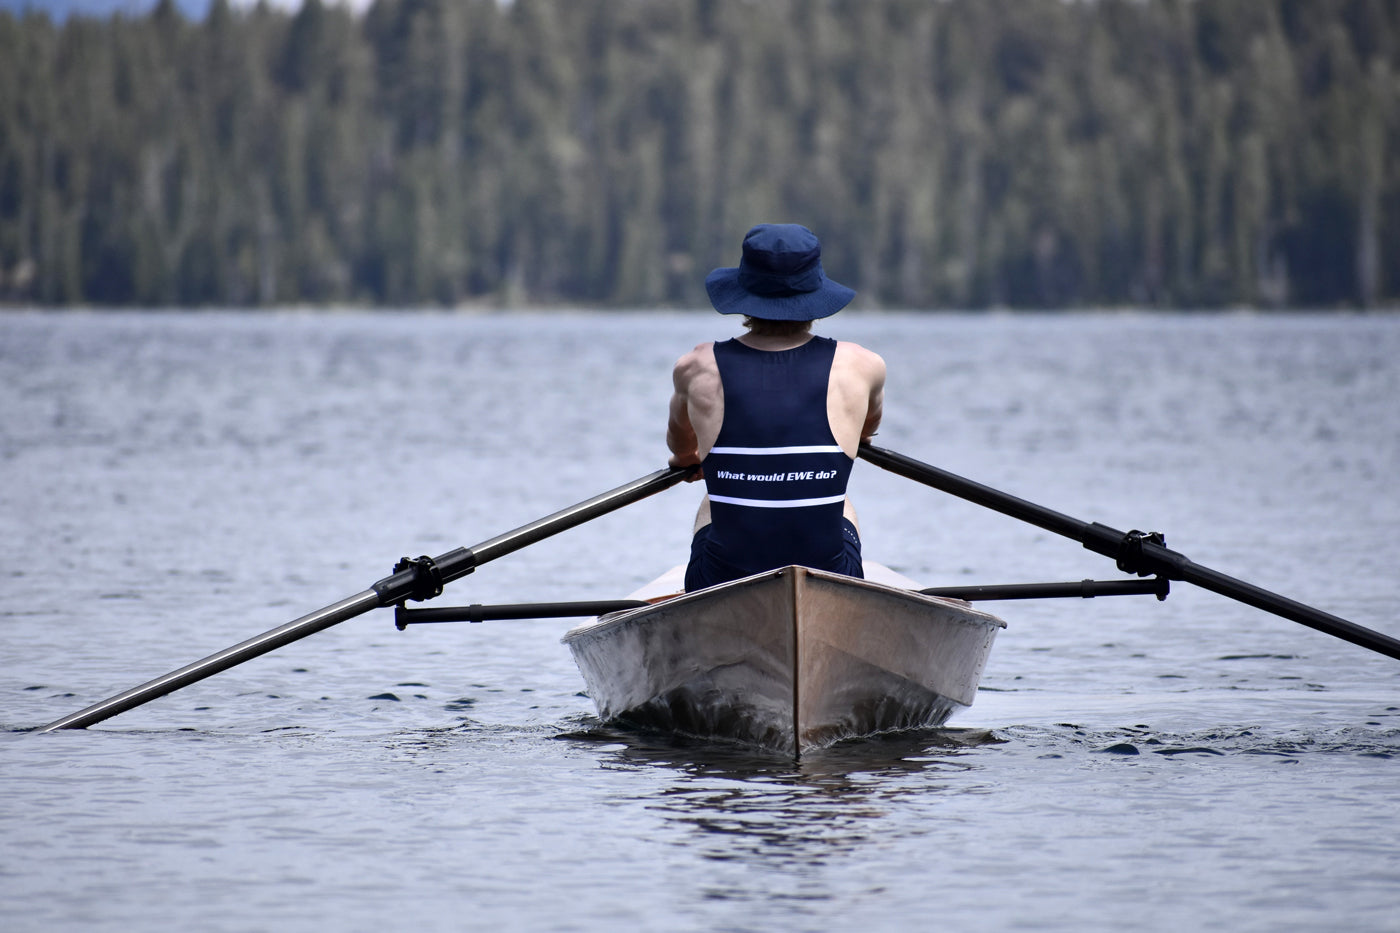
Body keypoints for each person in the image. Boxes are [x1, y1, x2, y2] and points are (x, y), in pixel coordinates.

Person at [667, 223, 886, 592]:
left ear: (744, 291)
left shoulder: (695, 366)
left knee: (712, 499)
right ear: (815, 293)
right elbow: (864, 434)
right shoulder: (864, 366)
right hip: (830, 574)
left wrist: (689, 463)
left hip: (723, 578)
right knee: (842, 503)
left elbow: (681, 450)